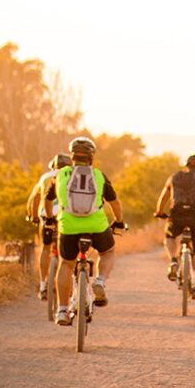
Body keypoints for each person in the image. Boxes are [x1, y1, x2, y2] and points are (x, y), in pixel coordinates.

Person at [43, 137, 126, 325]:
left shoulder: (61, 174)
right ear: (91, 158)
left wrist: (49, 219)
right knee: (108, 251)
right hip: (96, 226)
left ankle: (63, 311)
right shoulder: (99, 175)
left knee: (66, 264)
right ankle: (100, 281)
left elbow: (47, 201)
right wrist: (119, 222)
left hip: (69, 226)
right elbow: (115, 203)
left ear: (72, 157)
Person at [154, 154, 195, 300]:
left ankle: (173, 260)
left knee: (170, 236)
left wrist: (159, 212)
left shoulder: (174, 177)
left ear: (186, 166)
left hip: (177, 215)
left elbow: (164, 197)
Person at [26, 153, 72, 300]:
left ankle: (43, 284)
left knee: (46, 247)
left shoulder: (45, 177)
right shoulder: (71, 175)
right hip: (66, 216)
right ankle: (70, 288)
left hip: (47, 215)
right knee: (68, 254)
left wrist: (33, 216)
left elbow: (34, 199)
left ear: (53, 166)